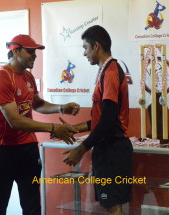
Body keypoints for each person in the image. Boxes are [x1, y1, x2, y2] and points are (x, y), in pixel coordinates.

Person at [0, 34, 80, 215]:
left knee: (32, 205)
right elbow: (15, 121)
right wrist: (54, 128)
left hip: (27, 148)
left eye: (35, 51)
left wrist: (61, 108)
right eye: (30, 52)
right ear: (15, 51)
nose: (34, 55)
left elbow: (36, 104)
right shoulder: (1, 77)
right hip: (1, 149)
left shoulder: (28, 76)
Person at [62, 25, 133, 215]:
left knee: (112, 207)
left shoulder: (110, 72)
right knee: (111, 206)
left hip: (112, 149)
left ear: (96, 46)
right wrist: (75, 128)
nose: (85, 53)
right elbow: (103, 119)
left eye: (85, 48)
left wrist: (81, 148)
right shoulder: (106, 70)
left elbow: (109, 122)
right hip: (108, 149)